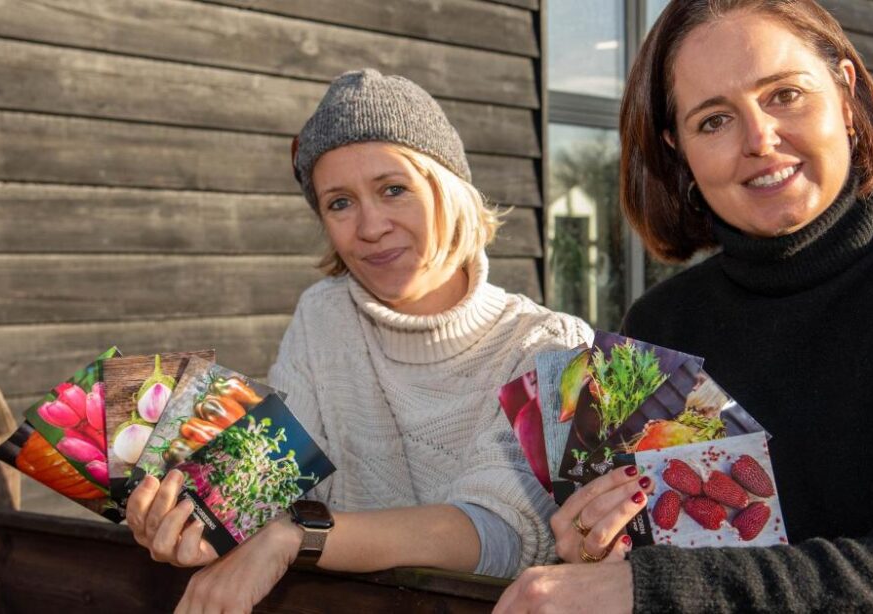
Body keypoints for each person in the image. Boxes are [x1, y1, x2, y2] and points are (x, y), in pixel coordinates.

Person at [496, 1, 873, 612]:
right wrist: (603, 549)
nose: (760, 139)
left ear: (845, 96)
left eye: (784, 94)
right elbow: (663, 552)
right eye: (713, 121)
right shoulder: (659, 326)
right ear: (678, 148)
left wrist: (653, 589)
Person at [125, 69, 592, 612]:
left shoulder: (552, 346)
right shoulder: (322, 316)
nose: (370, 226)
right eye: (339, 203)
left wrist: (296, 534)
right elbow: (275, 483)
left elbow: (497, 536)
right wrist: (190, 514)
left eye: (394, 190)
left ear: (449, 190)